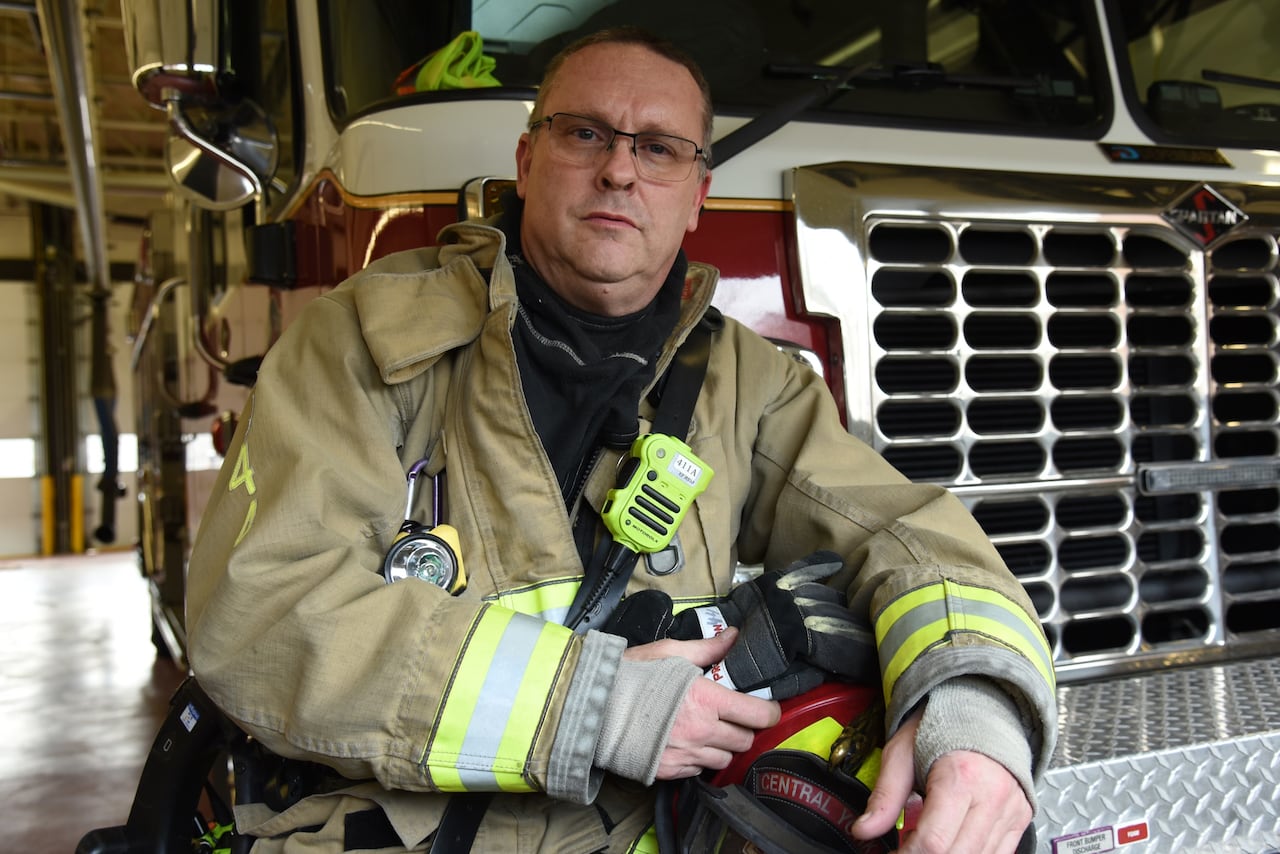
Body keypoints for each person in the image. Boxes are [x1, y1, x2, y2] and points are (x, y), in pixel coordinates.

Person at [186, 26, 1056, 854]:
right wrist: (596, 704)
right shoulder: (362, 343)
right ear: (527, 162)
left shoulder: (751, 383)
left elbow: (904, 534)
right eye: (585, 134)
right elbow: (261, 614)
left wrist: (974, 715)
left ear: (696, 195)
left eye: (659, 148)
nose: (618, 171)